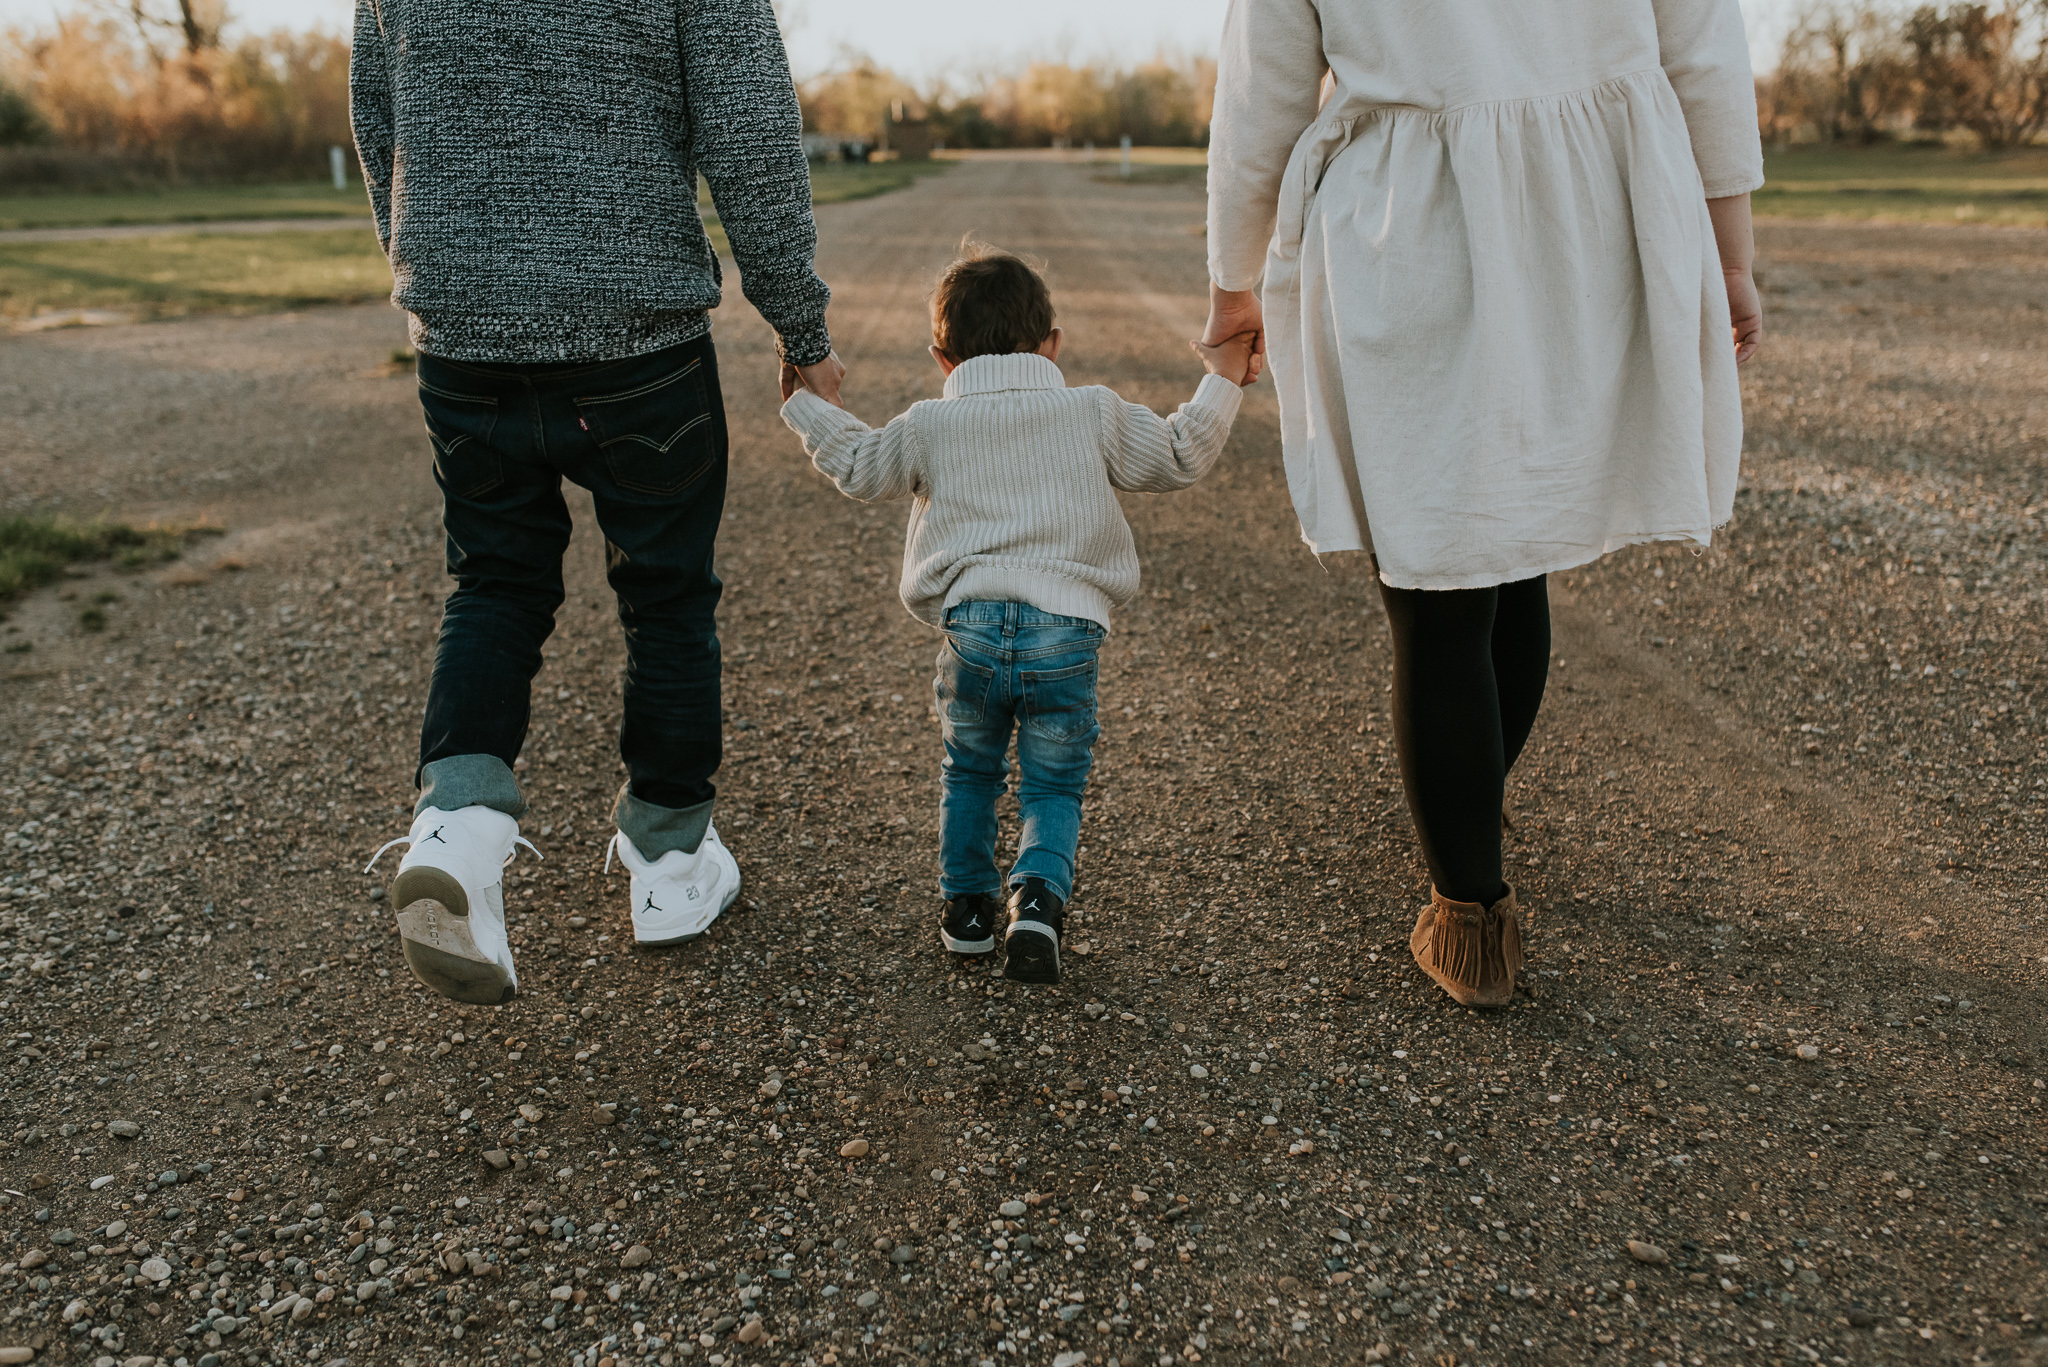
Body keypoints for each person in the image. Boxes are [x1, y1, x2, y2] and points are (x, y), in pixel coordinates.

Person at [1203, 0, 1764, 1006]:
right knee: (1509, 548)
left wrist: (1230, 281)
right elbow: (1703, 54)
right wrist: (1729, 249)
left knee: (1437, 575)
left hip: (1410, 229)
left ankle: (1470, 919)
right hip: (1580, 222)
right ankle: (1463, 813)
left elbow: (1261, 97)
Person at [351, 0, 845, 1005]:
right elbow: (747, 128)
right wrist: (799, 326)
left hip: (463, 335)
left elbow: (378, 117)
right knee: (665, 595)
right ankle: (667, 866)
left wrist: (431, 273)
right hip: (637, 339)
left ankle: (457, 828)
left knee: (493, 580)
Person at [781, 246, 1259, 983]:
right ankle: (1037, 897)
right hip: (1065, 634)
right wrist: (1223, 374)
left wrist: (808, 403)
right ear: (1052, 344)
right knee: (1053, 784)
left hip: (969, 631)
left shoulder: (927, 424)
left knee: (969, 771)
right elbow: (1180, 451)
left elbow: (858, 463)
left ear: (944, 358)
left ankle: (967, 909)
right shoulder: (1091, 409)